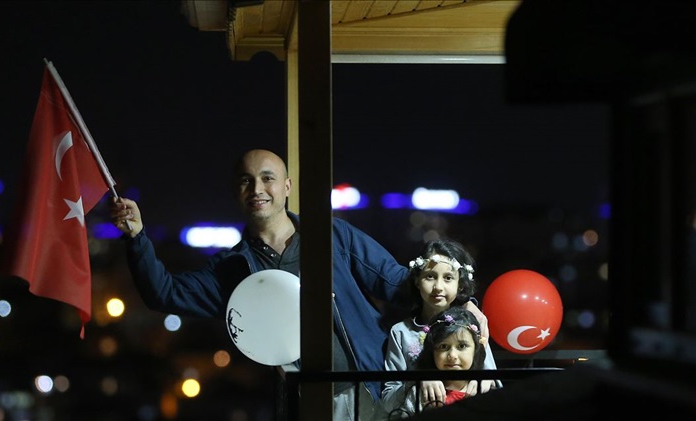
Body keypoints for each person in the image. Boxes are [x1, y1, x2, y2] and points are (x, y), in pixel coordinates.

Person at [109, 149, 490, 420]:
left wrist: (462, 304)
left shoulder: (332, 236)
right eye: (246, 180)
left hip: (371, 390)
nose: (257, 187)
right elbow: (165, 293)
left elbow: (398, 282)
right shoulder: (232, 267)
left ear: (287, 186)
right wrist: (137, 237)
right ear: (236, 193)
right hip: (304, 401)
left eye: (267, 178)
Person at [373, 239, 500, 420]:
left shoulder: (471, 326)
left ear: (461, 284)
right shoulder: (402, 332)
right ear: (417, 280)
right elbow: (388, 400)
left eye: (448, 278)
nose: (438, 287)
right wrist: (419, 379)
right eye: (430, 276)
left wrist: (485, 380)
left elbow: (496, 384)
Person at [378, 306, 489, 419]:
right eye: (443, 346)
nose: (452, 356)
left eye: (462, 346)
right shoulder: (420, 393)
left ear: (476, 349)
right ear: (432, 351)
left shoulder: (485, 391)